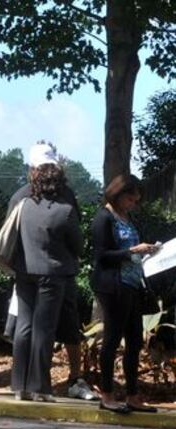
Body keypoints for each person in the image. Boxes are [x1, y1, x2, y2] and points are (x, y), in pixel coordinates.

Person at [3, 143, 97, 401]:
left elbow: (11, 235)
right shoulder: (66, 206)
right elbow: (78, 244)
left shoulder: (21, 201)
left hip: (24, 270)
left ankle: (19, 386)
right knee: (44, 329)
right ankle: (40, 387)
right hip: (55, 273)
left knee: (24, 326)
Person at [91, 175, 159, 414]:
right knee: (111, 339)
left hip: (132, 284)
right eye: (130, 199)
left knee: (134, 340)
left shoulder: (127, 219)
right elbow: (102, 255)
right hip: (113, 285)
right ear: (118, 194)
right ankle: (107, 394)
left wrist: (146, 252)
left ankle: (132, 395)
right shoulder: (103, 218)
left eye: (136, 201)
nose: (133, 204)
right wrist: (132, 251)